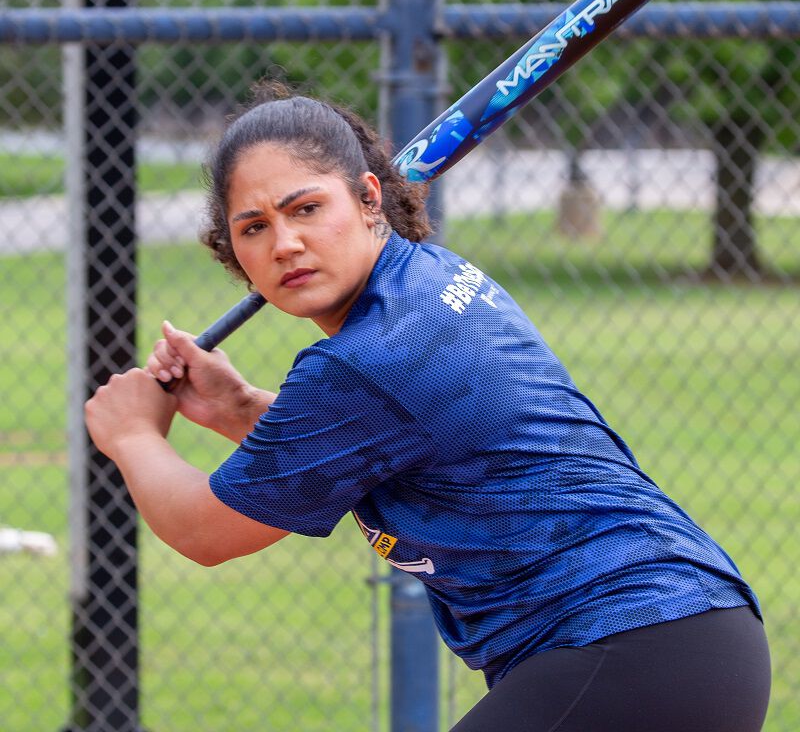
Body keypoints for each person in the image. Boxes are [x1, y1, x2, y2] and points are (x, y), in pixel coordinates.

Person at [85, 80, 771, 732]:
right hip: (681, 634)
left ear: (368, 199)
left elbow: (209, 531)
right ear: (232, 250)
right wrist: (235, 405)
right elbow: (382, 446)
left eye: (306, 208)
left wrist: (133, 434)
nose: (285, 242)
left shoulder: (368, 359)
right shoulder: (432, 277)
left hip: (631, 643)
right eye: (253, 226)